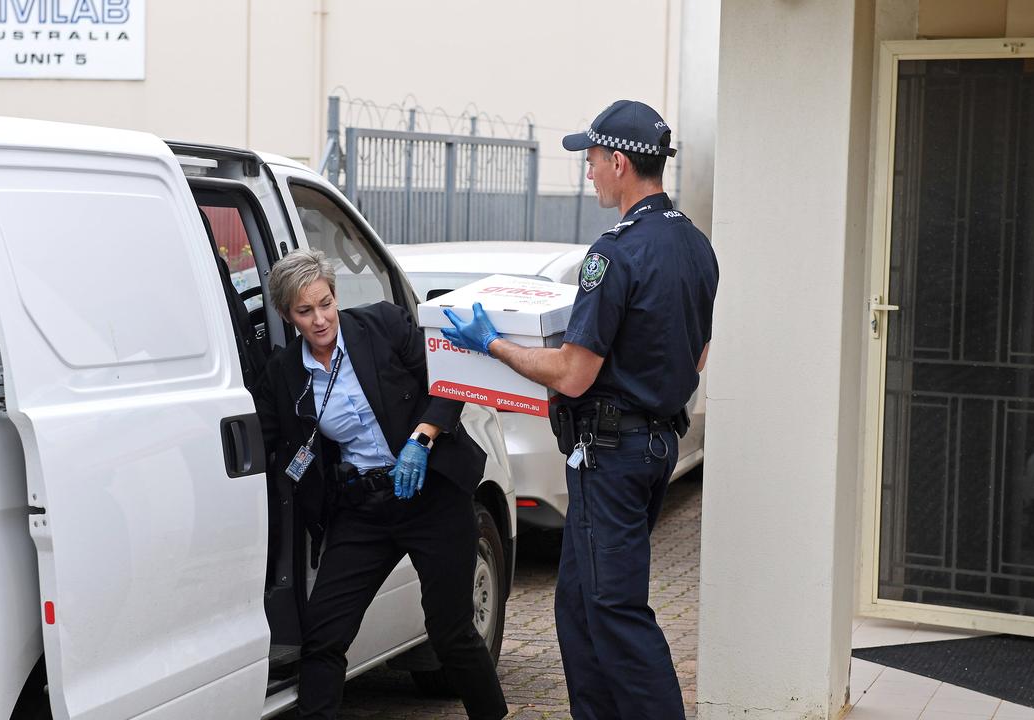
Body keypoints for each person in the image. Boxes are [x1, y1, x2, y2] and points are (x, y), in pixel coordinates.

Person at [444, 100, 719, 720]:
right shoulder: (695, 245)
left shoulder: (613, 254)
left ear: (619, 162)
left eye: (592, 159)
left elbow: (573, 373)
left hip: (612, 456)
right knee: (578, 604)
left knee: (615, 611)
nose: (589, 171)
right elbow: (697, 355)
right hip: (651, 449)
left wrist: (492, 344)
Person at [253, 248, 508, 720]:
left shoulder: (382, 326)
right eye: (305, 311)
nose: (320, 319)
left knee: (451, 630)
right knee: (324, 635)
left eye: (325, 303)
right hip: (363, 509)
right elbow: (266, 441)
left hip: (430, 493)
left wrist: (422, 438)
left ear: (335, 295)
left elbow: (448, 381)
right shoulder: (285, 372)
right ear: (288, 315)